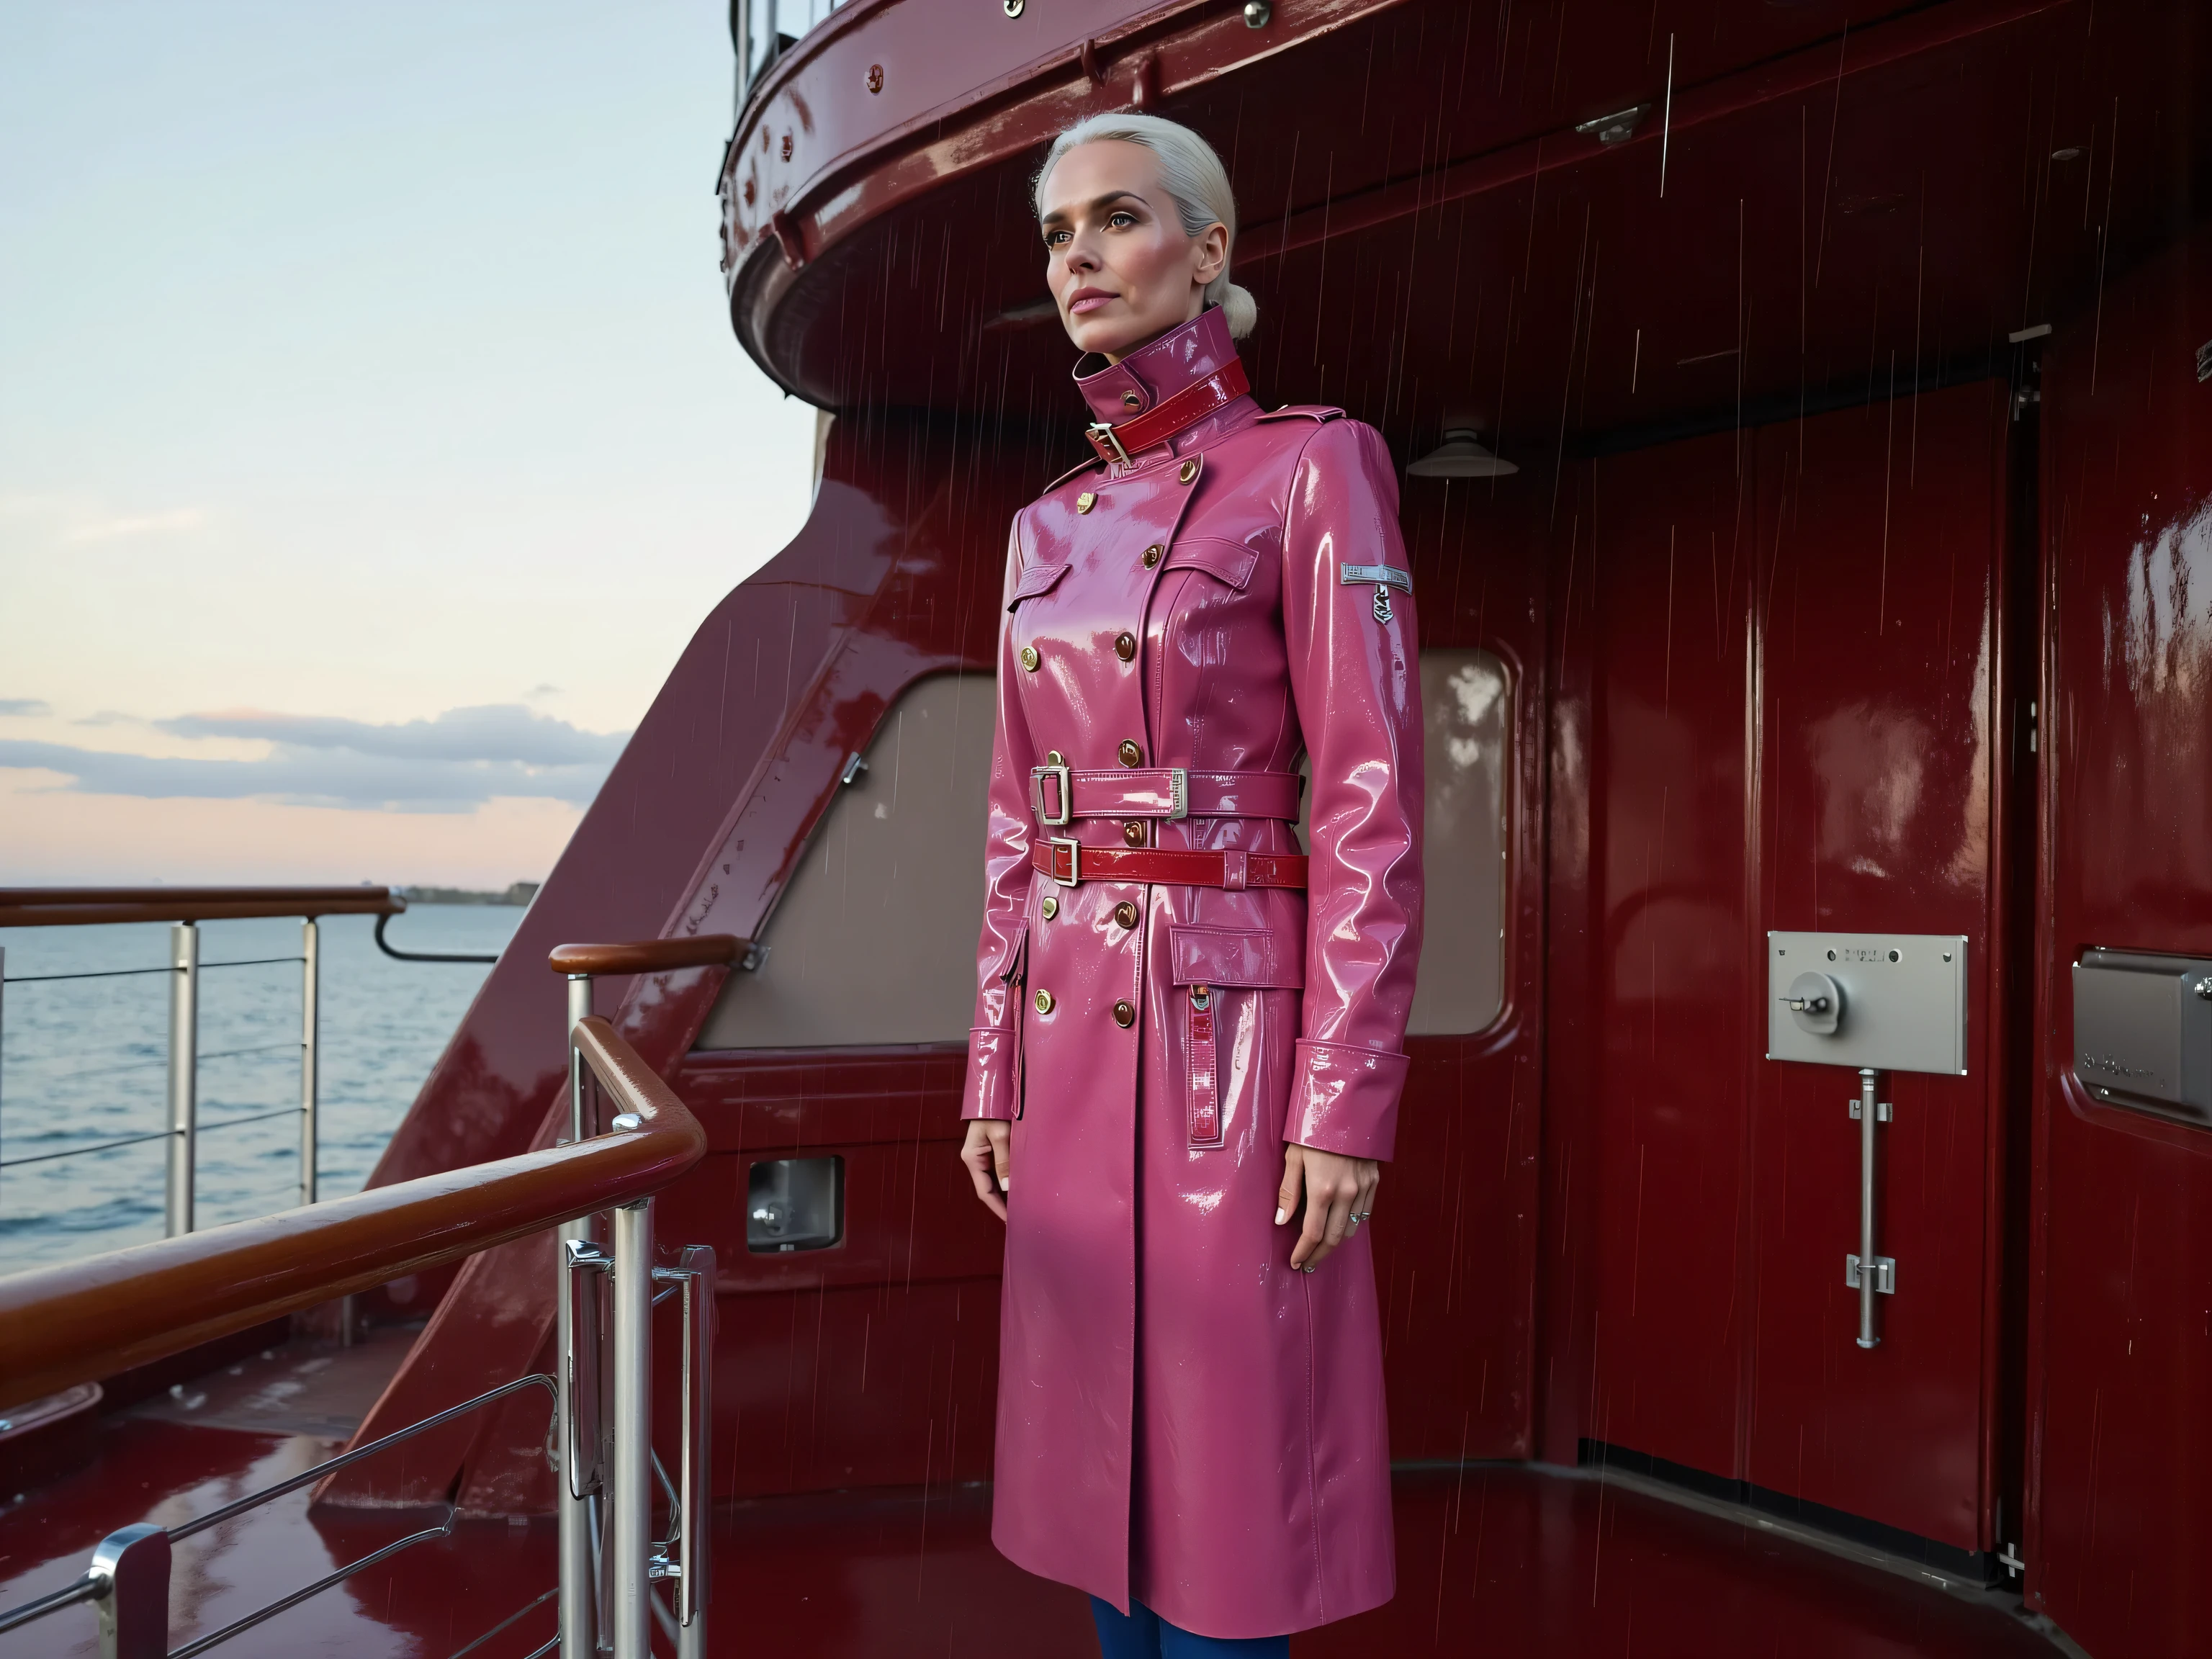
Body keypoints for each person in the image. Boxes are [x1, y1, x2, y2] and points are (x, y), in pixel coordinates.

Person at [958, 112, 1424, 1657]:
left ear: (1209, 249)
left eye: (1116, 218)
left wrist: (1342, 1104)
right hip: (1070, 1029)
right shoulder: (1040, 528)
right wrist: (993, 1070)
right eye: (1056, 234)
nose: (1076, 257)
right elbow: (1019, 827)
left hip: (1234, 1041)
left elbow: (1368, 805)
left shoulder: (1314, 466)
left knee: (1228, 1493)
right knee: (1100, 1469)